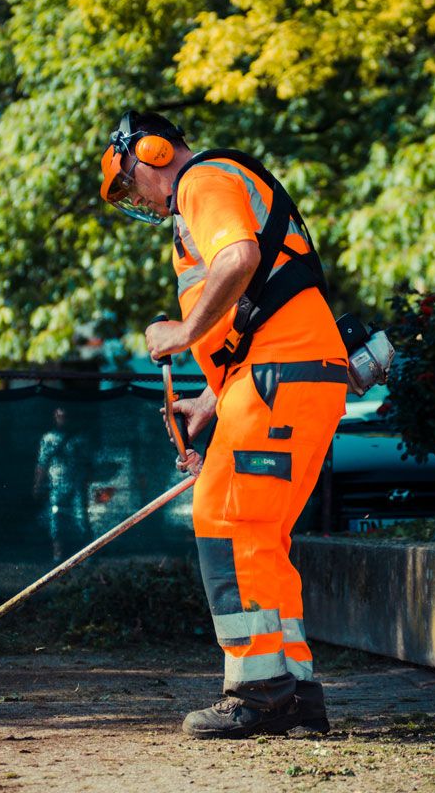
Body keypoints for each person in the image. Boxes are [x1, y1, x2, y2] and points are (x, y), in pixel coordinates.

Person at [100, 111, 348, 739]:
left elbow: (238, 257)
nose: (140, 198)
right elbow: (256, 309)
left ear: (153, 153)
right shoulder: (218, 182)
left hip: (279, 375)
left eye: (133, 181)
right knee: (259, 531)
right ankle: (295, 692)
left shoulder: (200, 182)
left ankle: (259, 693)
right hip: (287, 372)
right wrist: (207, 405)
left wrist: (182, 334)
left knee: (223, 516)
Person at [33, 407, 92, 562]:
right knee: (56, 519)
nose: (62, 419)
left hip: (76, 484)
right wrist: (38, 485)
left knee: (81, 519)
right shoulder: (49, 439)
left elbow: (87, 463)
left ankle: (87, 554)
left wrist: (86, 482)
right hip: (56, 485)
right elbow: (42, 464)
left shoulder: (80, 439)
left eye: (65, 416)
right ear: (55, 417)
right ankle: (57, 555)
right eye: (59, 416)